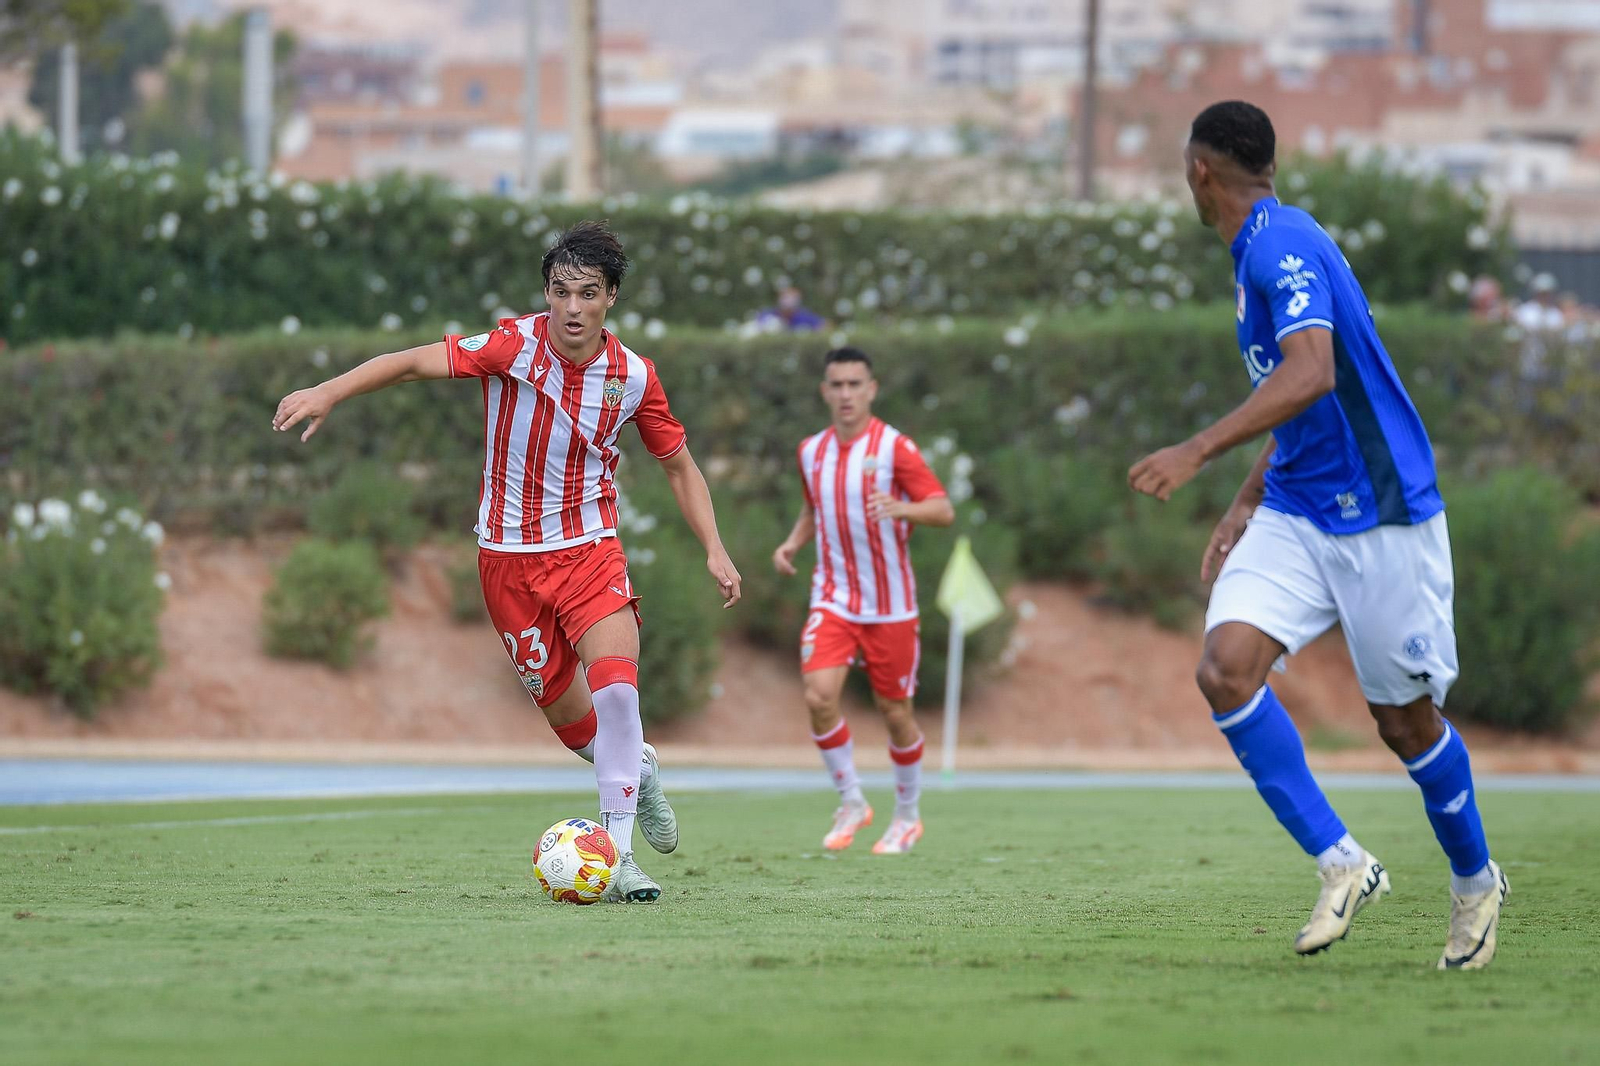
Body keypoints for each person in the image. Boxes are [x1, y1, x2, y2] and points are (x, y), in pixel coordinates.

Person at [1128, 101, 1507, 969]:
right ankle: (1343, 863)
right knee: (1224, 669)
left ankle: (1476, 881)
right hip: (1298, 508)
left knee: (1404, 724)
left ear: (1200, 173)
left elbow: (1312, 372)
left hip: (1381, 513)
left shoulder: (1279, 244)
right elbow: (1300, 402)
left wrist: (1195, 449)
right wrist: (1242, 502)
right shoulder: (1258, 247)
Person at [272, 221, 743, 903]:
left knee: (617, 690)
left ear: (611, 297)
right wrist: (329, 392)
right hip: (507, 564)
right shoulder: (510, 347)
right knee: (581, 731)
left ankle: (617, 858)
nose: (572, 307)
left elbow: (679, 467)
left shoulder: (633, 377)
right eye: (560, 291)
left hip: (589, 550)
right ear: (546, 294)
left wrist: (715, 548)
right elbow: (409, 363)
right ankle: (639, 770)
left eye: (588, 292)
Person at [772, 347, 954, 854]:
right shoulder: (811, 451)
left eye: (856, 384)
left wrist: (902, 507)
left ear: (872, 389)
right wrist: (792, 543)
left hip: (891, 605)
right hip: (833, 597)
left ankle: (908, 817)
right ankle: (852, 800)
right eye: (837, 385)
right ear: (824, 391)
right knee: (817, 696)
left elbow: (942, 509)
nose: (846, 394)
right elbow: (815, 509)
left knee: (895, 713)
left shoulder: (895, 448)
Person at [757, 286, 826, 332]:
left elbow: (824, 325)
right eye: (786, 298)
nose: (788, 302)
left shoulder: (804, 316)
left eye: (792, 298)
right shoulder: (769, 314)